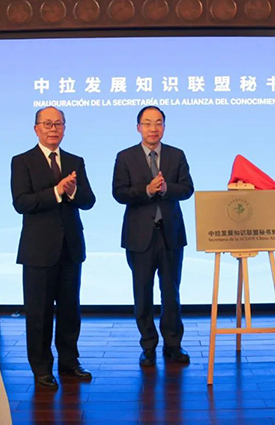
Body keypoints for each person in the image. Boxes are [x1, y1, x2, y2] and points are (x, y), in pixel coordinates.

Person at [11, 106, 95, 389]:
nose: (53, 129)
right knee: (39, 313)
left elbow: (89, 200)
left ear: (64, 129)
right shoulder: (22, 161)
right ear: (36, 129)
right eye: (47, 124)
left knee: (70, 311)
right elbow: (21, 202)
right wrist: (57, 192)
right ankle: (41, 368)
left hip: (71, 247)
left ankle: (69, 362)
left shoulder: (75, 161)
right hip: (38, 250)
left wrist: (73, 191)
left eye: (58, 124)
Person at [113, 106, 194, 366]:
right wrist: (146, 190)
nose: (153, 128)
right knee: (142, 293)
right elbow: (119, 193)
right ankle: (148, 345)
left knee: (171, 293)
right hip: (139, 237)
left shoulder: (176, 155)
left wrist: (167, 188)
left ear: (164, 127)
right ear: (138, 127)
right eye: (147, 123)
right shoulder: (125, 157)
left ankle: (173, 344)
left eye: (158, 123)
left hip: (170, 235)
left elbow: (187, 189)